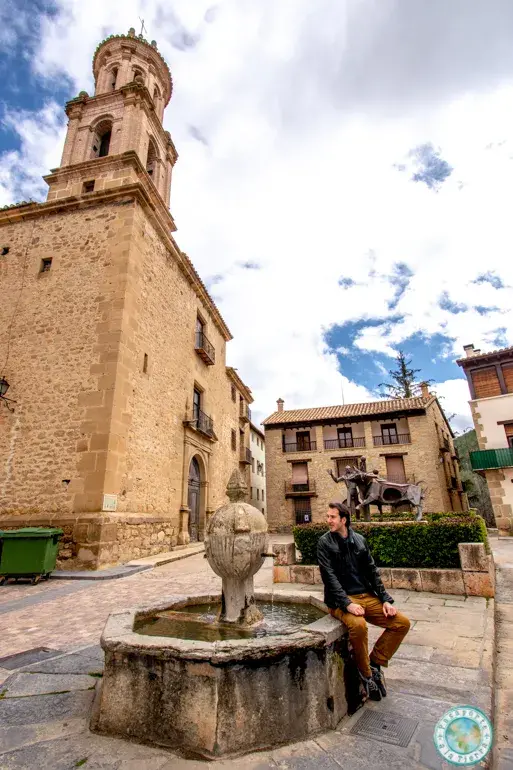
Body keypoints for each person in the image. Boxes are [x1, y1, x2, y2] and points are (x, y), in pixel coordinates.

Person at [317, 501, 410, 701]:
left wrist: (385, 600)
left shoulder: (359, 540)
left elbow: (372, 571)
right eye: (328, 517)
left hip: (367, 597)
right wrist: (346, 603)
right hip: (341, 600)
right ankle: (366, 674)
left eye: (332, 517)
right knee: (359, 626)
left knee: (401, 623)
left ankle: (376, 662)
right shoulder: (324, 543)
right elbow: (329, 577)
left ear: (343, 520)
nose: (328, 520)